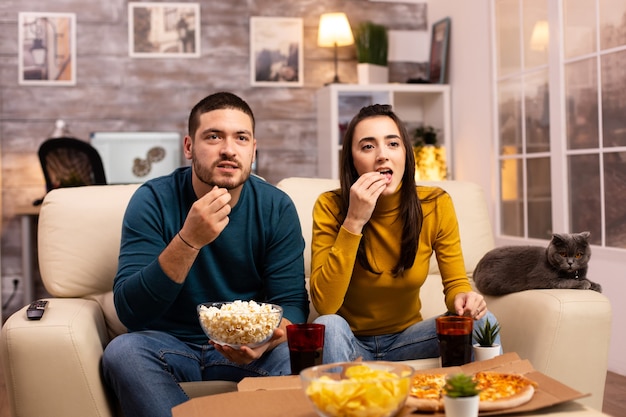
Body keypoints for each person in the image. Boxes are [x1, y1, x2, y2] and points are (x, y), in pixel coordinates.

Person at [102, 92, 309, 417]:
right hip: (168, 347)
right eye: (214, 137)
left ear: (253, 149)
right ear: (189, 147)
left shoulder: (276, 207)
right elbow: (130, 312)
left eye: (241, 138)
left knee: (296, 355)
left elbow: (293, 303)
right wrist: (188, 240)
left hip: (246, 350)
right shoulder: (152, 201)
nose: (228, 149)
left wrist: (266, 341)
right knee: (123, 351)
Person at [310, 104, 500, 363]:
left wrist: (464, 300)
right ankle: (342, 403)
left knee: (483, 321)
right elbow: (325, 305)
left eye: (392, 144)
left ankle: (487, 397)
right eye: (368, 146)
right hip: (350, 341)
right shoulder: (329, 206)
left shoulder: (435, 204)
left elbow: (456, 283)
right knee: (329, 325)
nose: (382, 156)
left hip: (410, 340)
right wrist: (354, 220)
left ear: (406, 154)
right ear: (352, 162)